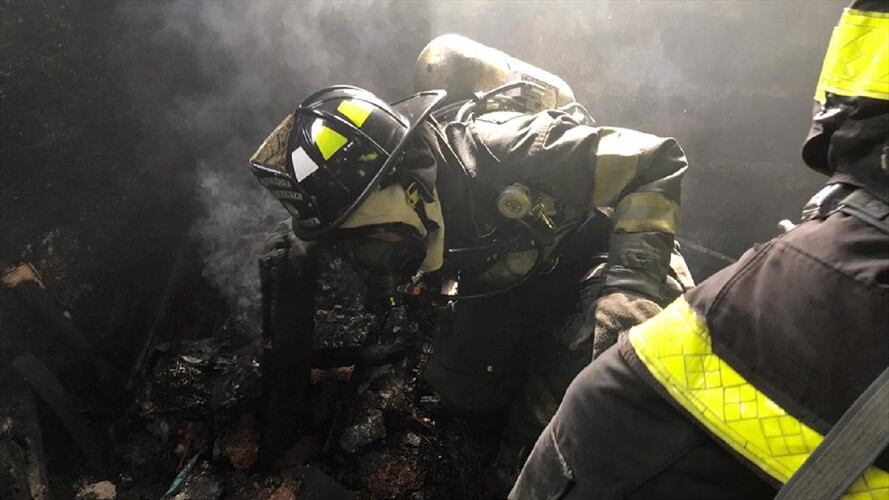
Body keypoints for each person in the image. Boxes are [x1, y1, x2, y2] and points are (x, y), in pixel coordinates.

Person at [250, 47, 693, 488]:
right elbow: (293, 247)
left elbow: (655, 161)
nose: (374, 260)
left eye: (372, 243)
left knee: (584, 373)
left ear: (406, 187)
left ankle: (524, 468)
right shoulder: (397, 202)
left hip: (608, 256)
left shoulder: (512, 148)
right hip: (520, 267)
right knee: (461, 387)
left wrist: (630, 290)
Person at [511, 1, 889, 498]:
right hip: (609, 427)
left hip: (604, 424)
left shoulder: (527, 147)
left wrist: (626, 291)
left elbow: (655, 163)